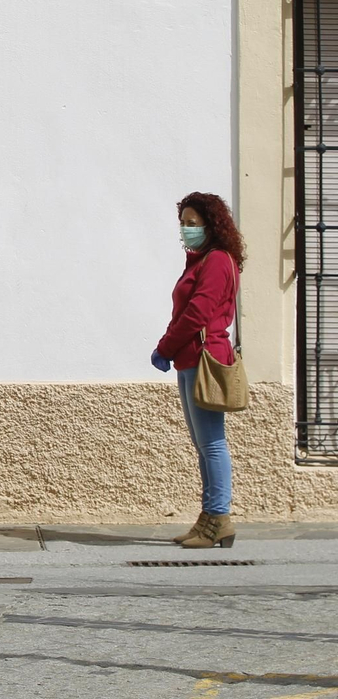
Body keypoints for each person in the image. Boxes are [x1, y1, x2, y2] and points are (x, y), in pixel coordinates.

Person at [151, 192, 245, 550]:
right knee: (202, 445)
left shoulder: (218, 260)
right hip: (190, 359)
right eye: (183, 223)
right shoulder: (200, 260)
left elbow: (197, 313)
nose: (186, 230)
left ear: (212, 225)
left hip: (205, 358)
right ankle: (208, 518)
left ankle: (219, 518)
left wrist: (164, 347)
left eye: (193, 223)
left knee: (212, 443)